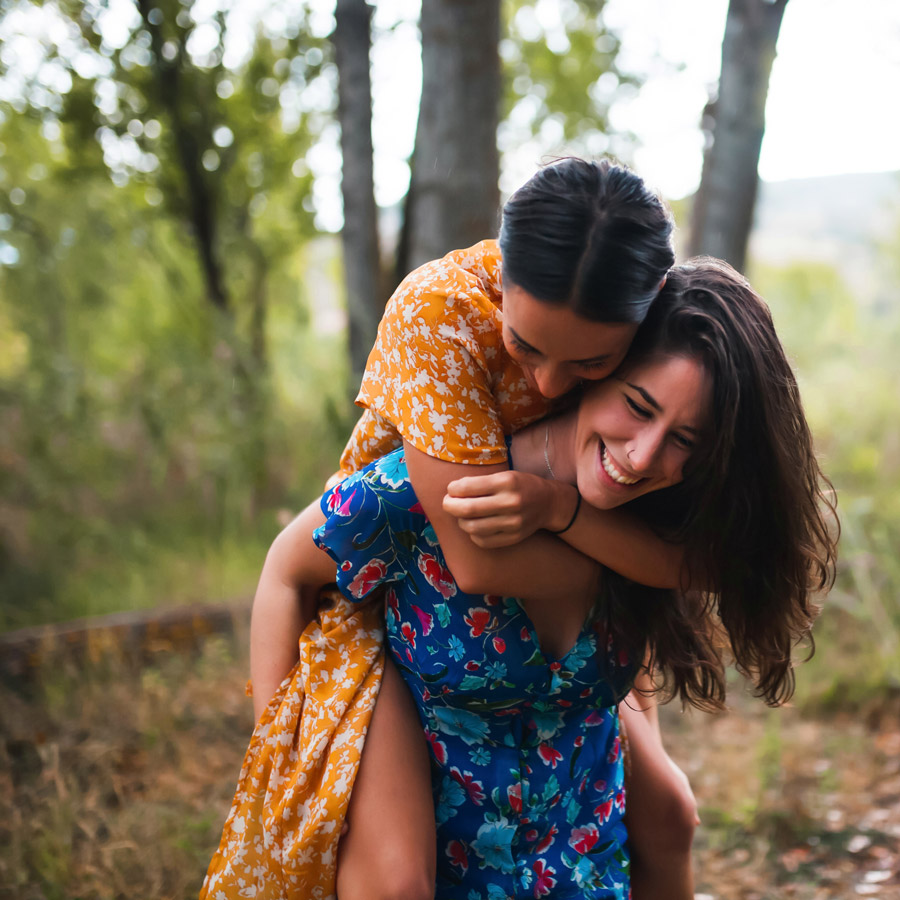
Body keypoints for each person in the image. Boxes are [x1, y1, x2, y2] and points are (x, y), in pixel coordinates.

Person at [200, 259, 837, 898]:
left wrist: (564, 513)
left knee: (672, 812)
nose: (643, 455)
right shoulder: (446, 489)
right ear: (598, 370)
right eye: (637, 407)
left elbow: (640, 634)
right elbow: (286, 573)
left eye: (685, 441)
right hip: (441, 855)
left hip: (579, 854)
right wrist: (288, 776)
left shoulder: (656, 519)